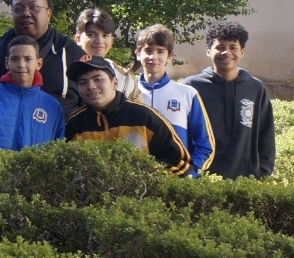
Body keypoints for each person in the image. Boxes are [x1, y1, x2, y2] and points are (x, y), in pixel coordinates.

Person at [0, 0, 83, 117]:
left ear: (48, 14)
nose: (26, 13)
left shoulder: (71, 54)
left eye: (34, 7)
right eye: (18, 9)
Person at [67, 56, 191, 175]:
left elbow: (180, 161)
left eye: (98, 79)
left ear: (115, 83)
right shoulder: (74, 123)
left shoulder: (144, 117)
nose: (91, 86)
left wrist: (141, 179)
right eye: (83, 83)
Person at [185, 21, 274, 178]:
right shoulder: (192, 87)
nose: (226, 52)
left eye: (233, 47)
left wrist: (263, 174)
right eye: (220, 47)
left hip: (246, 179)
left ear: (242, 52)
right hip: (201, 178)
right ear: (208, 51)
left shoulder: (255, 88)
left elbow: (266, 134)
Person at [133, 24, 214, 177]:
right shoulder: (127, 93)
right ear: (138, 53)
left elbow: (205, 144)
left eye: (160, 51)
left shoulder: (187, 94)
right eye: (148, 50)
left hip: (175, 182)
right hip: (133, 181)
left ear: (170, 56)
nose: (153, 57)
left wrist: (191, 173)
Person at [0, 35, 65, 150]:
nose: (21, 65)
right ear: (7, 63)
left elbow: (56, 153)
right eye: (14, 59)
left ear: (38, 64)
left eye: (28, 59)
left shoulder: (52, 107)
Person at [74, 7, 138, 96]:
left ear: (112, 41)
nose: (99, 41)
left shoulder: (125, 79)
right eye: (91, 34)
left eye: (105, 35)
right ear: (78, 39)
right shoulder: (65, 71)